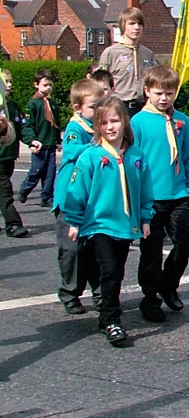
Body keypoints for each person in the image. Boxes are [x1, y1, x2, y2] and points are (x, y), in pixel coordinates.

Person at [62, 96, 153, 347]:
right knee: (110, 270)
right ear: (98, 127)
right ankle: (112, 320)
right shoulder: (91, 156)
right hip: (98, 223)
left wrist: (145, 217)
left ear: (124, 121)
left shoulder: (136, 155)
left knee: (117, 271)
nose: (111, 127)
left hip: (124, 225)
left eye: (115, 121)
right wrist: (74, 220)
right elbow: (77, 188)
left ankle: (105, 314)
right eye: (104, 123)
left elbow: (145, 189)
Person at [132, 66, 189, 320]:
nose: (164, 98)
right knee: (151, 251)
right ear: (147, 91)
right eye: (159, 93)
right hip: (151, 198)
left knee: (186, 243)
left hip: (177, 194)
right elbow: (133, 160)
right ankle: (149, 299)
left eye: (169, 93)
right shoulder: (138, 122)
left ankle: (168, 284)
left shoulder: (181, 120)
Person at [51, 79, 105, 313]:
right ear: (78, 108)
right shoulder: (76, 128)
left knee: (96, 249)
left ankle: (101, 294)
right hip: (70, 198)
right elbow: (72, 150)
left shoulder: (101, 127)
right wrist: (98, 144)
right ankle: (70, 292)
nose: (98, 110)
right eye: (93, 106)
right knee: (71, 250)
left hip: (92, 199)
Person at [98, 7, 158, 117]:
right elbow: (100, 83)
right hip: (119, 107)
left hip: (144, 107)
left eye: (139, 24)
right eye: (132, 23)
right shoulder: (111, 53)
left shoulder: (148, 54)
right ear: (123, 26)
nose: (136, 27)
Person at [17, 68, 62, 208]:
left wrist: (58, 140)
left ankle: (47, 197)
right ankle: (24, 190)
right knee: (36, 172)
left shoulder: (52, 103)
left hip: (50, 143)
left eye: (50, 85)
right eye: (44, 85)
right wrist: (32, 141)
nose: (48, 88)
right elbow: (29, 125)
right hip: (39, 144)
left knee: (50, 173)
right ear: (36, 85)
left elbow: (56, 123)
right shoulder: (33, 104)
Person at [0, 69, 29, 238]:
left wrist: (31, 140)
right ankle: (13, 223)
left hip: (9, 154)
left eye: (9, 82)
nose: (8, 85)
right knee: (4, 190)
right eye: (5, 82)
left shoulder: (12, 106)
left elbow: (21, 128)